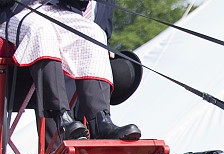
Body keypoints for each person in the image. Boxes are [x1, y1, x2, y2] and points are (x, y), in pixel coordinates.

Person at [0, 0, 140, 141]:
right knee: (42, 31)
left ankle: (101, 122)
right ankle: (61, 117)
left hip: (51, 8)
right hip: (14, 11)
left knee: (93, 33)